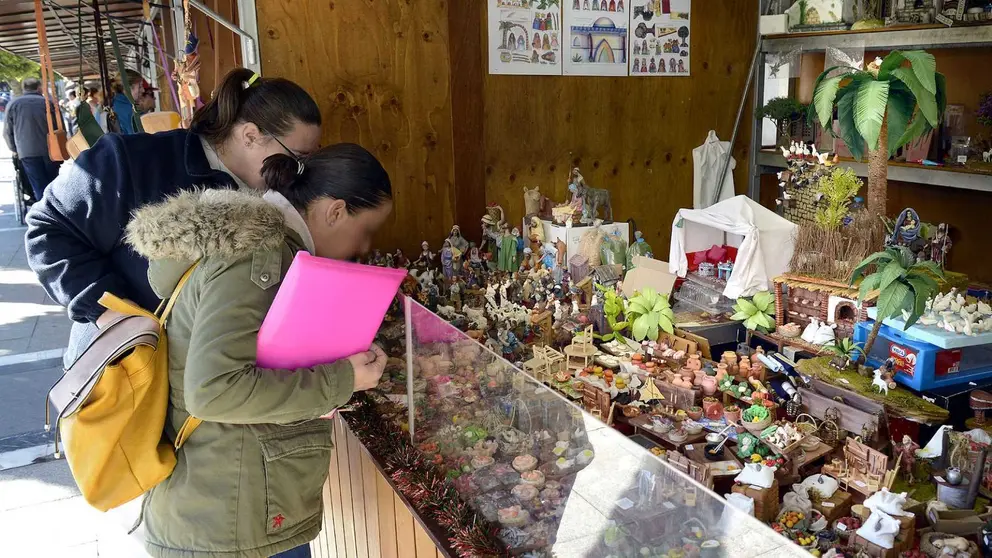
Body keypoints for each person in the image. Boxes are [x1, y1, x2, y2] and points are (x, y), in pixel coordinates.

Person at [125, 143, 393, 558]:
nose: (363, 246)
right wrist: (344, 378)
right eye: (367, 230)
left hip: (227, 511)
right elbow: (216, 390)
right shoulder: (259, 252)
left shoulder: (258, 246)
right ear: (335, 211)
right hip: (231, 524)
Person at [25, 68, 322, 368]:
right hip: (125, 369)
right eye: (296, 159)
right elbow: (48, 229)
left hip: (212, 385)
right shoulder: (132, 160)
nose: (300, 173)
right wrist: (108, 310)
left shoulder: (279, 196)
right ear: (250, 136)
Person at [2, 77, 62, 200]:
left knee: (38, 185)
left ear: (24, 88)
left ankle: (45, 212)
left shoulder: (13, 104)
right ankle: (56, 210)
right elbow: (60, 128)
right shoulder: (47, 103)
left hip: (26, 151)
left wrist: (15, 149)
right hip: (50, 150)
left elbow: (7, 132)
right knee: (52, 184)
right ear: (39, 88)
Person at [110, 69, 158, 134]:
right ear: (128, 88)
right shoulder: (132, 113)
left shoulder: (117, 103)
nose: (143, 90)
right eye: (140, 86)